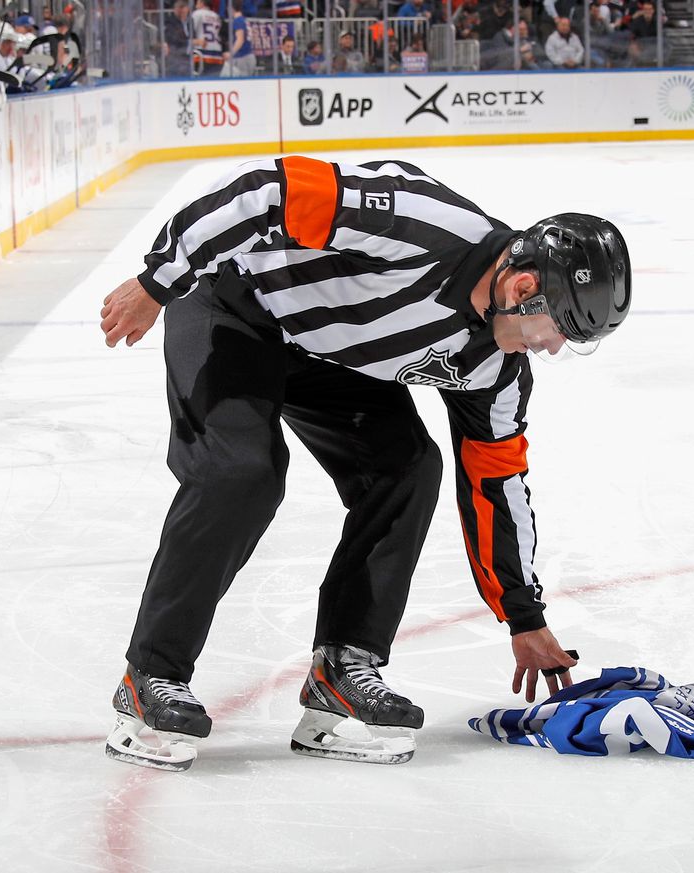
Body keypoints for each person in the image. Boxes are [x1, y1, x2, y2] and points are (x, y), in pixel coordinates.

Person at [98, 156, 632, 771]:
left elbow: (497, 485)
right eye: (558, 328)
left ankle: (343, 671)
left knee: (406, 468)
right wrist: (155, 282)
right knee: (242, 473)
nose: (553, 346)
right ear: (521, 287)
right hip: (234, 305)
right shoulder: (421, 222)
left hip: (325, 351)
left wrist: (522, 614)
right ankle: (151, 679)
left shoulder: (496, 368)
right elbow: (265, 189)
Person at [221, 0, 255, 76]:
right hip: (249, 55)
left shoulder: (237, 21)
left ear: (231, 8)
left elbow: (240, 40)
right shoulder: (245, 20)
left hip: (242, 57)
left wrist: (231, 53)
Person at [190, 0, 223, 75]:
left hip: (202, 53)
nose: (196, 6)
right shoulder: (216, 16)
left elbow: (190, 31)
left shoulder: (197, 14)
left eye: (197, 3)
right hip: (217, 55)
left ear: (202, 3)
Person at [163, 0, 191, 77]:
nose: (180, 10)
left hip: (188, 57)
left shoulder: (190, 22)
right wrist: (190, 42)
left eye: (183, 8)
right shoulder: (170, 22)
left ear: (187, 9)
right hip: (175, 57)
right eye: (178, 8)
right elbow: (173, 38)